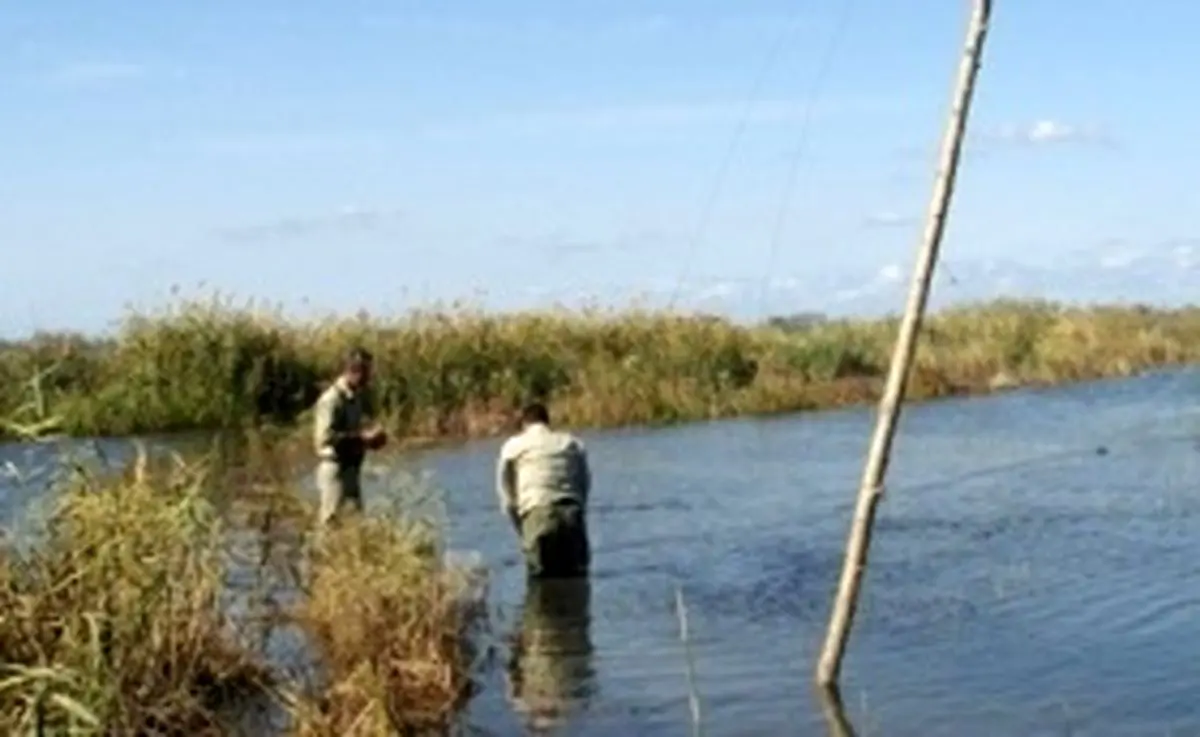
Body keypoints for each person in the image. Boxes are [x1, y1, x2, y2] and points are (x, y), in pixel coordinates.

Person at [496, 402, 591, 579]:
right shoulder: (572, 443)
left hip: (537, 513)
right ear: (548, 422)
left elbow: (507, 499)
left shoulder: (513, 446)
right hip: (571, 513)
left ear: (524, 424)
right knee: (577, 577)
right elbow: (584, 484)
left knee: (539, 581)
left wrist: (522, 531)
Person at [312, 347, 387, 526]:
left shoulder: (355, 397)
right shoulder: (332, 399)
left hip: (351, 470)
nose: (370, 376)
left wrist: (373, 441)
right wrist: (363, 438)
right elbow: (325, 438)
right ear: (354, 371)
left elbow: (352, 432)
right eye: (367, 371)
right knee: (331, 524)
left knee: (354, 522)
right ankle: (323, 554)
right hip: (335, 469)